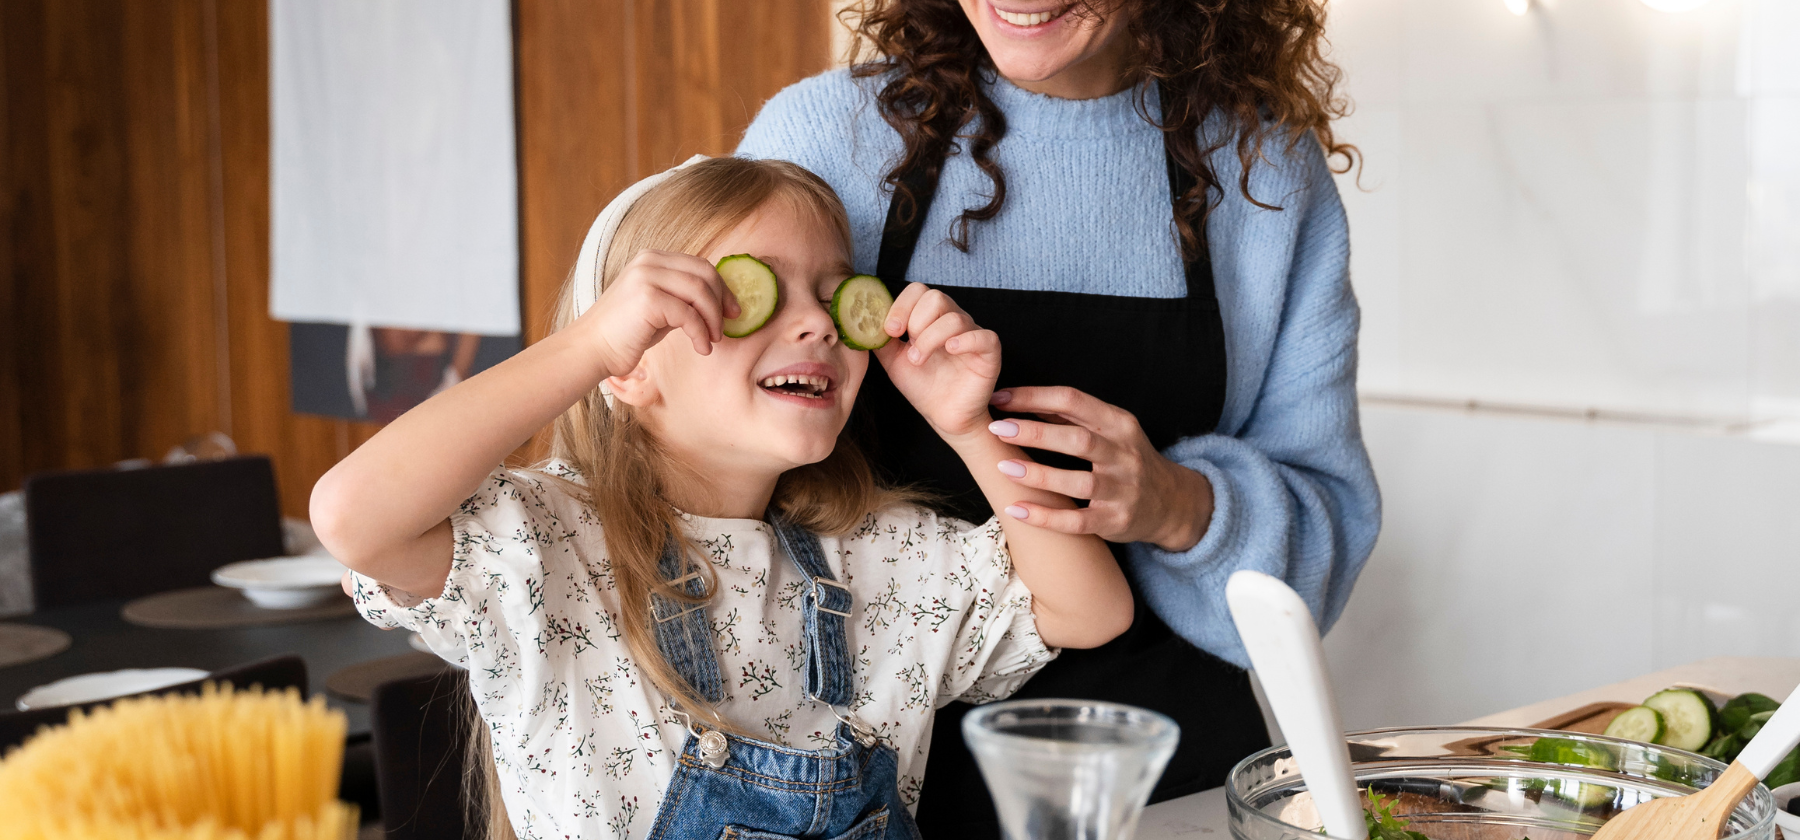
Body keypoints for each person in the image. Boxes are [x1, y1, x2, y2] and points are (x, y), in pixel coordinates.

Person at [309, 156, 1132, 840]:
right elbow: (352, 516)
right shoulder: (544, 545)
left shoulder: (883, 554)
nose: (816, 323)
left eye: (834, 293)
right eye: (748, 293)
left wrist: (967, 427)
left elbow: (1088, 609)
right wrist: (588, 345)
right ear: (629, 366)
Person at [736, 0, 1382, 831]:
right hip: (855, 767)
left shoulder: (1264, 167)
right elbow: (694, 431)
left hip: (1154, 772)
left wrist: (1179, 504)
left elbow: (1318, 564)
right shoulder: (826, 137)